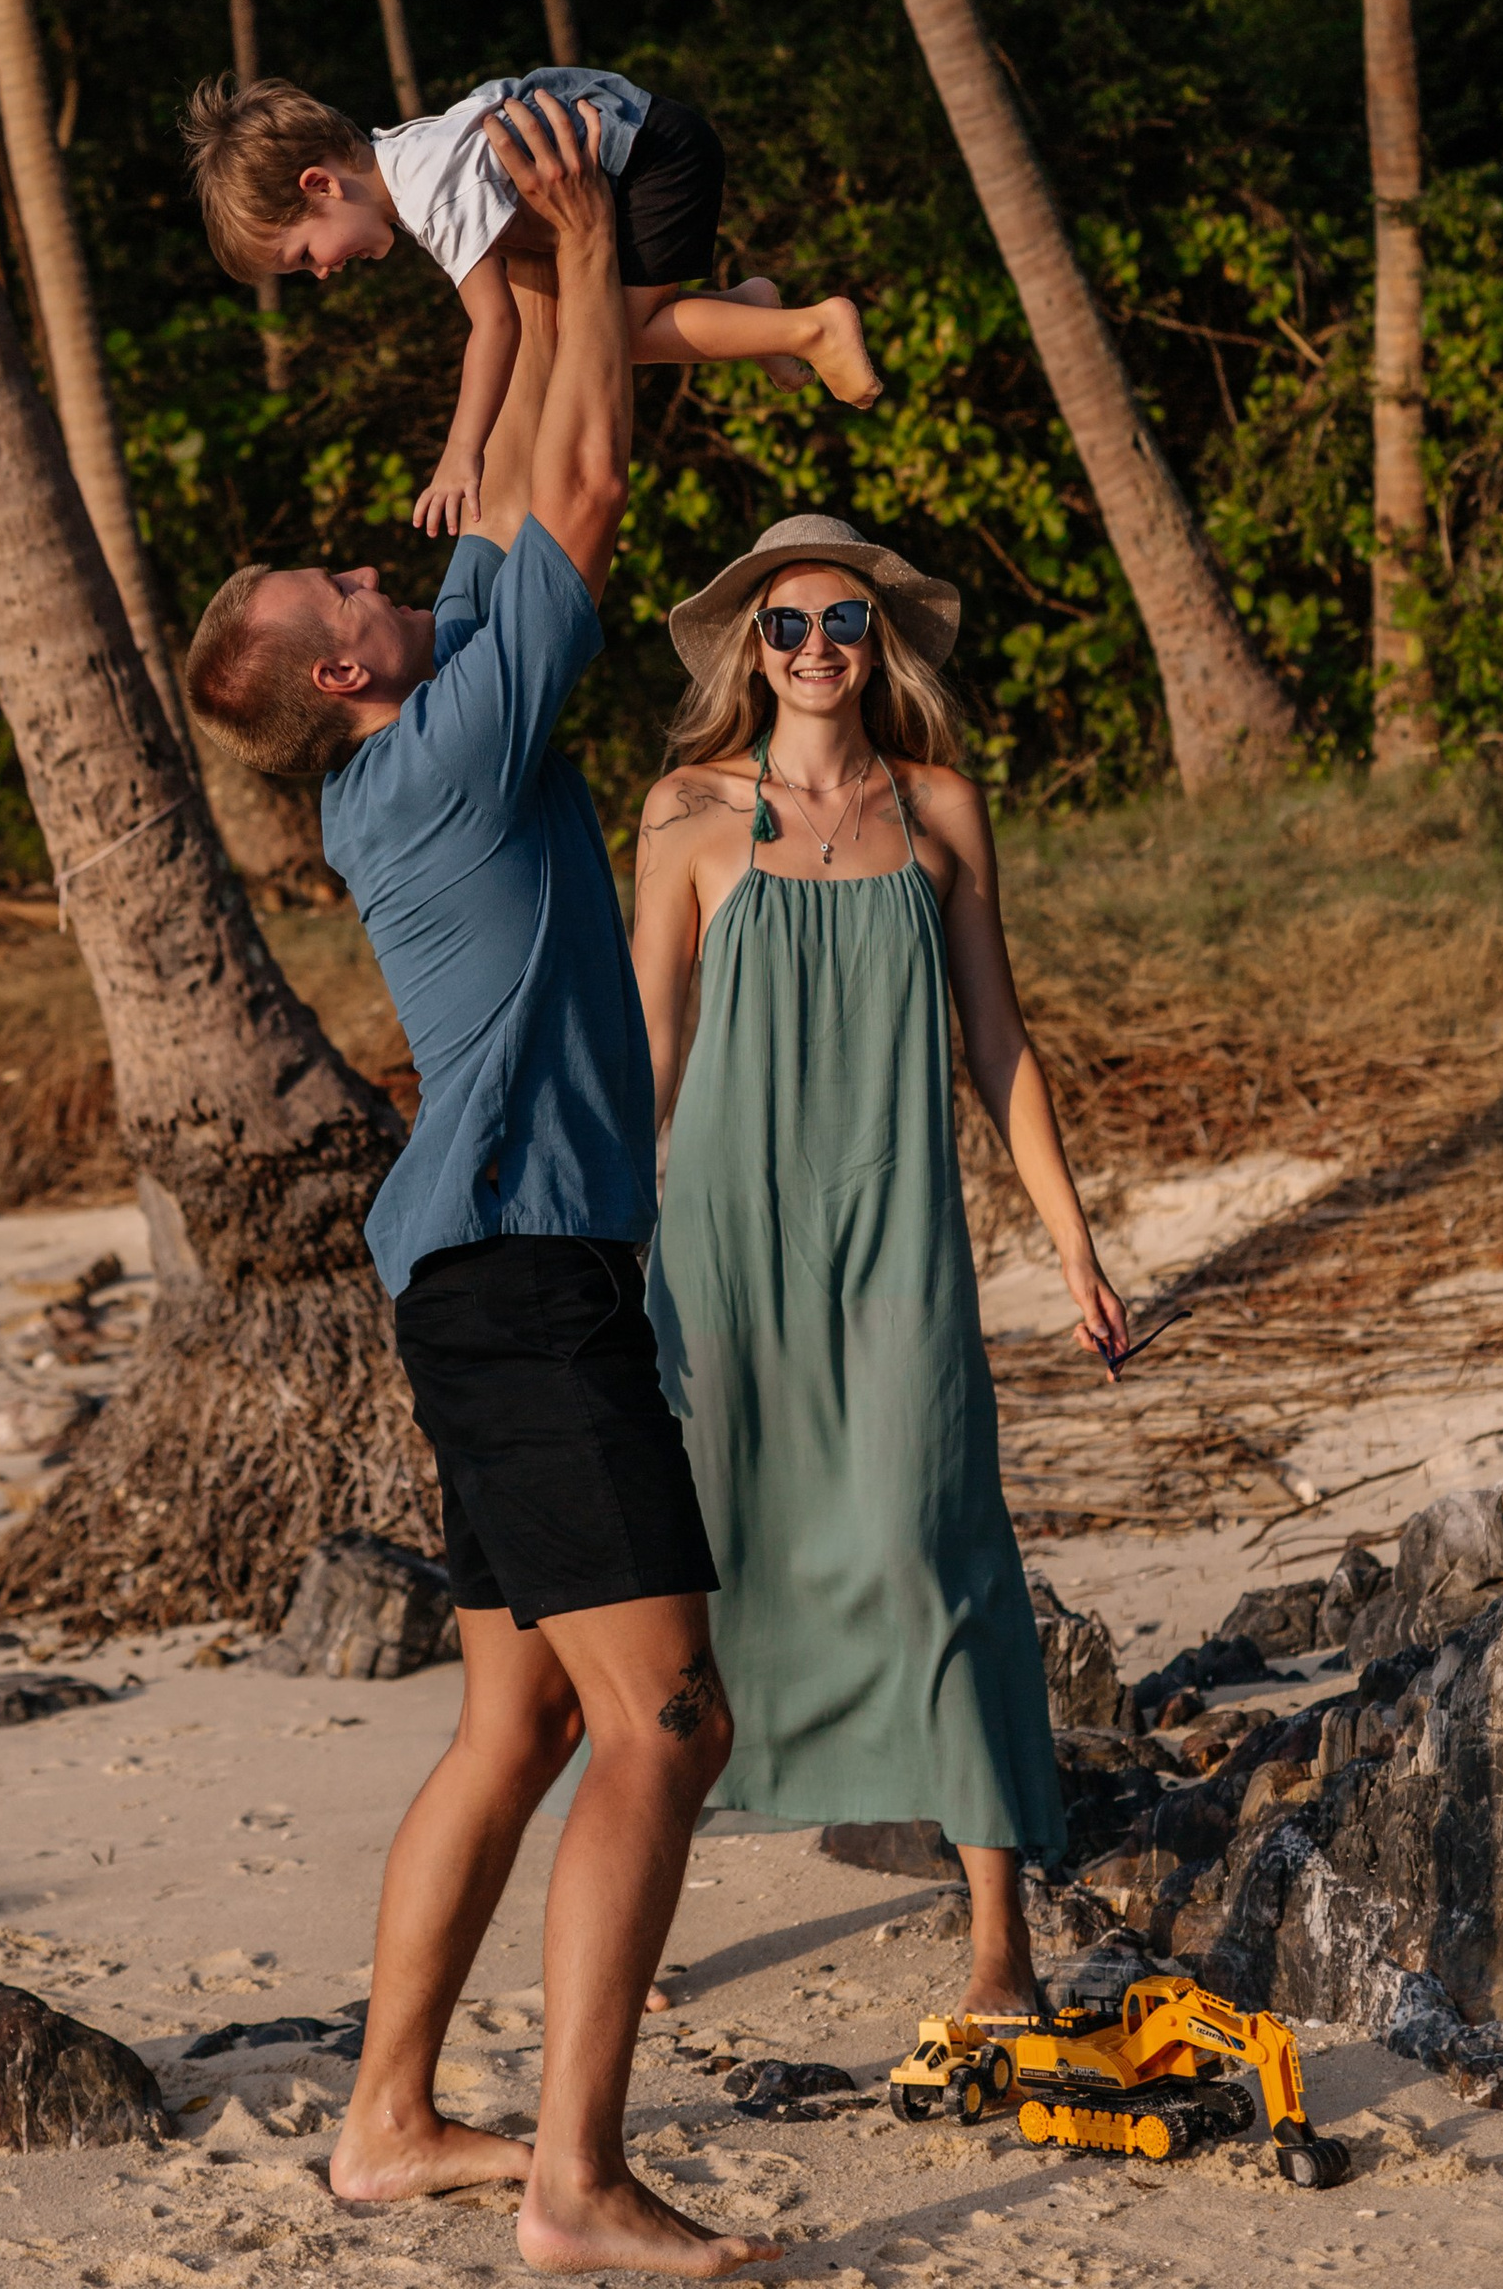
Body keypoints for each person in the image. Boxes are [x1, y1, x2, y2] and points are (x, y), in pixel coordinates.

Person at [185, 91, 777, 2280]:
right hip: (520, 1286)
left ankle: (378, 2123)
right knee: (662, 1720)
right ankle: (572, 2182)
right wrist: (592, 234)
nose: (378, 566)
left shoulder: (409, 741)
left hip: (480, 1276)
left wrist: (527, 286)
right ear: (339, 675)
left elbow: (523, 464)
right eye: (343, 584)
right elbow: (592, 485)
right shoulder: (440, 745)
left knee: (519, 1706)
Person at [629, 513, 1131, 2020]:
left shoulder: (943, 812)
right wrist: (596, 1236)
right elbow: (650, 1046)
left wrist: (1075, 1242)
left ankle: (999, 1948)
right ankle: (633, 1919)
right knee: (699, 1575)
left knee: (937, 1549)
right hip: (723, 1242)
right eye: (784, 627)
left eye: (842, 621)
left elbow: (1001, 1043)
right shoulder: (683, 813)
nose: (815, 649)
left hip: (901, 1235)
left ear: (880, 638)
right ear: (749, 649)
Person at [181, 65, 882, 537]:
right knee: (601, 323)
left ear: (320, 185)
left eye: (306, 257)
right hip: (650, 140)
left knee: (620, 337)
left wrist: (462, 455)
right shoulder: (404, 152)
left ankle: (812, 329)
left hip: (651, 158)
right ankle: (751, 311)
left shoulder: (431, 192)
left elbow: (495, 326)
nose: (324, 275)